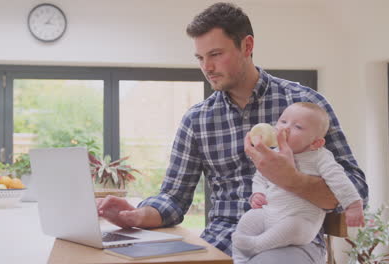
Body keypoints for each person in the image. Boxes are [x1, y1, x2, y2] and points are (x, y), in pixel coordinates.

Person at [96, 2, 368, 263]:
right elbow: (174, 198)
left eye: (215, 54)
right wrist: (136, 216)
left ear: (247, 46)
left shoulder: (306, 107)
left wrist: (291, 179)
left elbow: (357, 190)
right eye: (201, 58)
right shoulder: (197, 120)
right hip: (221, 241)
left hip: (290, 239)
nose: (207, 67)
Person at [231, 102, 364, 263]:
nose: (285, 129)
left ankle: (256, 246)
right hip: (270, 214)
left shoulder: (320, 157)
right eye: (283, 121)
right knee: (249, 218)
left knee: (293, 226)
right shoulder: (273, 153)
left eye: (298, 127)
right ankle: (239, 258)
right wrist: (258, 193)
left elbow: (339, 180)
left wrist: (353, 205)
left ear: (316, 143)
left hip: (301, 222)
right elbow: (259, 178)